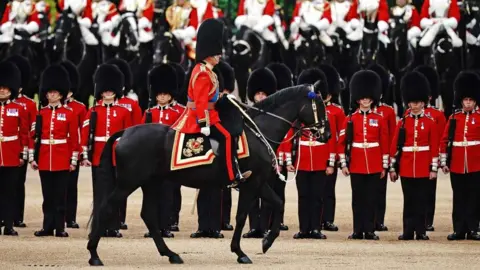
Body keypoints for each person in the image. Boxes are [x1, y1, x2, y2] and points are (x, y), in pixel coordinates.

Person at [171, 18, 251, 186]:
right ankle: (232, 176)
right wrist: (203, 123)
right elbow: (200, 101)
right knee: (227, 136)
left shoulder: (209, 71)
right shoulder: (202, 73)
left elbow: (210, 97)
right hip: (200, 116)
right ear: (209, 54)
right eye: (217, 53)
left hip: (210, 112)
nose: (220, 56)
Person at [80, 64, 132, 238]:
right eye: (105, 90)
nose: (108, 93)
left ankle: (114, 226)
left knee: (115, 193)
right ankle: (100, 226)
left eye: (111, 90)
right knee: (100, 193)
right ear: (100, 92)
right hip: (99, 156)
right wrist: (84, 155)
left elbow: (129, 137)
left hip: (117, 157)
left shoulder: (124, 111)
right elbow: (85, 134)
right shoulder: (93, 110)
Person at [338, 70, 388, 240]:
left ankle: (370, 230)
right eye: (362, 98)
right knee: (358, 199)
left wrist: (384, 165)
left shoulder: (379, 118)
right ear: (358, 99)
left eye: (368, 98)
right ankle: (358, 230)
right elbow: (342, 143)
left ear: (372, 99)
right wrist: (344, 164)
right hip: (357, 163)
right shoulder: (350, 119)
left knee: (372, 199)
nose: (365, 101)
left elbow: (384, 144)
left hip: (374, 163)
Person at [29, 65, 79, 237]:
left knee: (60, 195)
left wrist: (73, 160)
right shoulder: (41, 113)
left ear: (61, 94)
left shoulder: (69, 113)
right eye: (49, 92)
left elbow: (74, 138)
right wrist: (33, 158)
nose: (51, 95)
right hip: (44, 158)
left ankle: (60, 227)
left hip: (62, 158)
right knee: (47, 195)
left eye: (55, 93)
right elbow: (34, 138)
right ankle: (47, 226)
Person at [389, 71, 439, 241]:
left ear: (423, 102)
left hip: (424, 167)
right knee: (409, 200)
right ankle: (408, 231)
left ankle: (421, 231)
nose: (414, 105)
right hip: (407, 166)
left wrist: (433, 169)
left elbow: (434, 147)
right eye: (412, 102)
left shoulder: (430, 122)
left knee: (422, 200)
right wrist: (393, 167)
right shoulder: (402, 122)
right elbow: (396, 147)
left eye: (417, 102)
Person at [292, 68, 337, 240]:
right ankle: (304, 228)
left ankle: (316, 228)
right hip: (303, 159)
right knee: (303, 196)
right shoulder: (299, 111)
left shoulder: (324, 113)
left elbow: (330, 139)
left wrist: (330, 162)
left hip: (319, 158)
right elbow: (292, 136)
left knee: (317, 196)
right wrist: (290, 159)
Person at [142, 64, 184, 238]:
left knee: (168, 194)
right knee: (152, 195)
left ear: (171, 95)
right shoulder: (149, 113)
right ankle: (153, 227)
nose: (162, 97)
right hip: (152, 160)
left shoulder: (179, 111)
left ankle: (166, 226)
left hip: (170, 159)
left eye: (165, 94)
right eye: (159, 94)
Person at [440, 71, 480, 241]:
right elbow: (444, 140)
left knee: (474, 197)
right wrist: (444, 161)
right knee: (459, 197)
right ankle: (459, 229)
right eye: (466, 100)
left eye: (470, 100)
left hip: (476, 163)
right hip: (457, 163)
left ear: (475, 101)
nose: (468, 103)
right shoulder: (454, 117)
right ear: (461, 101)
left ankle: (473, 228)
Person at [242, 67, 277, 238]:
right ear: (252, 95)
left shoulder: (274, 115)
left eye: (264, 94)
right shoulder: (247, 113)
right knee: (252, 196)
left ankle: (264, 226)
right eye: (258, 94)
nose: (261, 97)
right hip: (250, 159)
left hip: (268, 159)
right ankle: (254, 227)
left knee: (267, 193)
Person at [412, 65, 446, 232]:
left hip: (430, 157)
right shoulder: (408, 114)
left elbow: (441, 138)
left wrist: (439, 158)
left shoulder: (438, 115)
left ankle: (428, 219)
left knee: (429, 191)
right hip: (414, 158)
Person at [7, 55, 36, 228]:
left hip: (20, 149)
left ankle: (17, 215)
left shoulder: (29, 104)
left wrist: (27, 151)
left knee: (18, 184)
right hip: (6, 149)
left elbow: (31, 129)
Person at [0, 61, 28, 236]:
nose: (2, 91)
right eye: (0, 88)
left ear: (11, 90)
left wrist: (22, 154)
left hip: (11, 154)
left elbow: (24, 133)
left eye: (5, 88)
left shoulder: (18, 109)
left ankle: (9, 224)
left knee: (10, 191)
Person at [265, 62, 294, 231]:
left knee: (279, 190)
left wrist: (284, 158)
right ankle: (265, 222)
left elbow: (287, 135)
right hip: (268, 157)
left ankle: (278, 220)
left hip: (282, 157)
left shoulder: (285, 109)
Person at [367, 63, 396, 232]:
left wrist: (390, 161)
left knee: (380, 191)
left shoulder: (388, 111)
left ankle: (379, 219)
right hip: (366, 158)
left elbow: (392, 137)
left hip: (381, 158)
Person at [319, 63, 345, 232]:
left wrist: (336, 158)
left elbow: (341, 136)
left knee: (329, 190)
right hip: (315, 155)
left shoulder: (337, 111)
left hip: (331, 154)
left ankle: (328, 219)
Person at [61, 60, 86, 229]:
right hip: (56, 150)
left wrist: (81, 153)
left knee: (71, 186)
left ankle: (70, 217)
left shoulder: (80, 107)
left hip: (73, 151)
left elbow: (83, 132)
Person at [216, 60, 237, 231]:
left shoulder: (231, 101)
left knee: (227, 187)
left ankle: (225, 220)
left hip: (228, 147)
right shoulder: (213, 101)